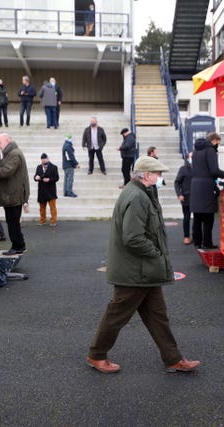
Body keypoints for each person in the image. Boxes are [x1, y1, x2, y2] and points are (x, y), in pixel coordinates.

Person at [86, 156, 201, 374]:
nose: (160, 178)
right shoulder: (137, 197)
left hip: (143, 271)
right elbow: (133, 237)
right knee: (117, 315)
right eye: (158, 174)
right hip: (135, 271)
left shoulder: (141, 192)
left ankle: (173, 358)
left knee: (157, 316)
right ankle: (96, 355)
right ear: (147, 175)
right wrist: (156, 254)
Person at [190, 133, 224, 249]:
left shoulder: (195, 151)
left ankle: (197, 242)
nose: (218, 146)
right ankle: (207, 242)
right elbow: (214, 170)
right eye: (218, 143)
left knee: (197, 217)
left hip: (195, 186)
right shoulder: (210, 151)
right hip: (207, 187)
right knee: (208, 218)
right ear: (213, 140)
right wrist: (223, 174)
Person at [34, 153, 59, 227]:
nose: (43, 161)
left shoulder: (54, 167)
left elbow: (56, 178)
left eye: (45, 159)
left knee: (52, 207)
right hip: (41, 190)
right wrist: (36, 177)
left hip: (50, 190)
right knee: (42, 208)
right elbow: (35, 176)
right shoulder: (38, 167)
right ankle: (42, 220)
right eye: (42, 160)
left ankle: (53, 221)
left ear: (48, 159)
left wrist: (49, 179)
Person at [174, 151, 193, 245]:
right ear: (187, 158)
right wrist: (179, 194)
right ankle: (186, 237)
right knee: (186, 218)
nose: (192, 159)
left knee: (198, 218)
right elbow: (177, 182)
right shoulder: (183, 169)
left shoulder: (199, 168)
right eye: (190, 157)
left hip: (198, 197)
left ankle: (197, 237)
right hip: (186, 197)